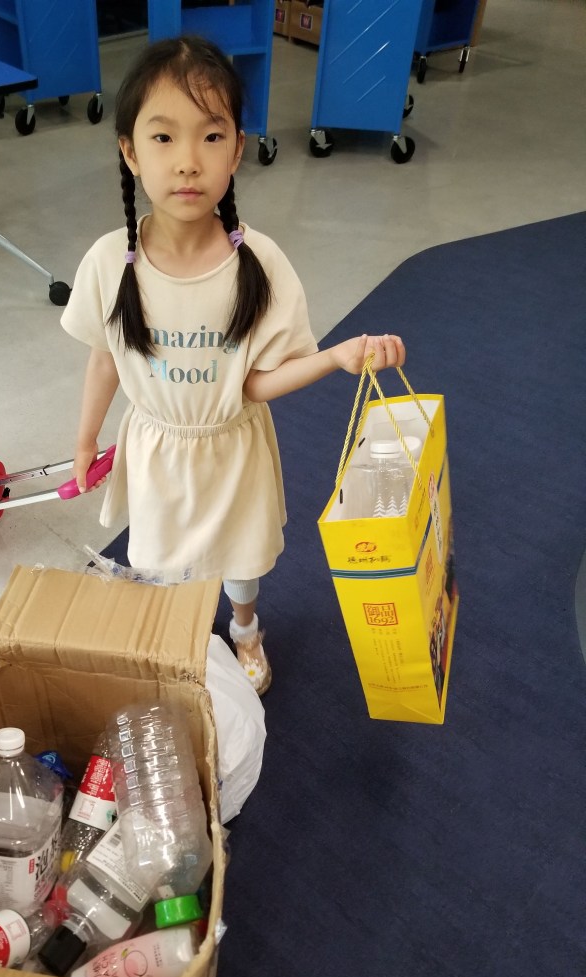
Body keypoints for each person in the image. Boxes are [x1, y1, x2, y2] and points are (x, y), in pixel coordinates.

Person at [62, 35, 405, 696]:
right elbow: (105, 360)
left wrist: (334, 358)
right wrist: (84, 440)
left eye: (211, 136)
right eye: (164, 137)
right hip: (158, 449)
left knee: (242, 561)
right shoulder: (109, 262)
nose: (188, 161)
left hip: (233, 449)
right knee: (163, 563)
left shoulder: (258, 263)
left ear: (238, 150)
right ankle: (179, 637)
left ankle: (245, 628)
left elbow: (254, 384)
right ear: (130, 152)